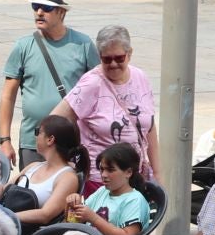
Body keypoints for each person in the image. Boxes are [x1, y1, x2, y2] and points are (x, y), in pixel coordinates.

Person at [0, 0, 99, 168]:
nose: (39, 12)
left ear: (61, 12)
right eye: (36, 7)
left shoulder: (83, 44)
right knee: (31, 194)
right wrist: (5, 140)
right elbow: (8, 96)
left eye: (46, 8)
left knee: (69, 194)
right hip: (33, 143)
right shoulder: (23, 46)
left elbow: (99, 91)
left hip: (69, 143)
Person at [57, 25, 161, 187]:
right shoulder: (91, 83)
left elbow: (150, 127)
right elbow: (54, 122)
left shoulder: (140, 77)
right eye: (107, 59)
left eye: (119, 58)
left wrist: (158, 172)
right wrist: (66, 162)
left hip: (134, 178)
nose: (113, 64)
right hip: (100, 181)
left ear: (129, 54)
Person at [65, 145, 150, 235]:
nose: (104, 175)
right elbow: (72, 223)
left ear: (128, 172)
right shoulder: (102, 191)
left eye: (110, 170)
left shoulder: (134, 200)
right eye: (101, 169)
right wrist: (71, 205)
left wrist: (93, 218)